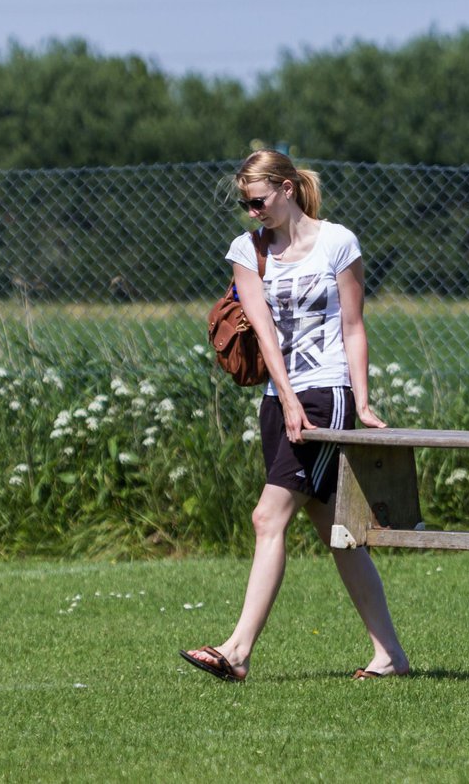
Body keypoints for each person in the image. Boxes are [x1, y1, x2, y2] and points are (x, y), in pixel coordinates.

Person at [181, 150, 410, 682]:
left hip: (326, 395)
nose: (251, 210)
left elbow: (353, 327)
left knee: (268, 517)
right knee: (333, 528)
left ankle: (236, 651)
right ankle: (390, 656)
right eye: (244, 203)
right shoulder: (248, 249)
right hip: (278, 397)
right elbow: (261, 330)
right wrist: (282, 397)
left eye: (257, 200)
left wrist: (363, 401)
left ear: (286, 188)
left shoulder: (338, 242)